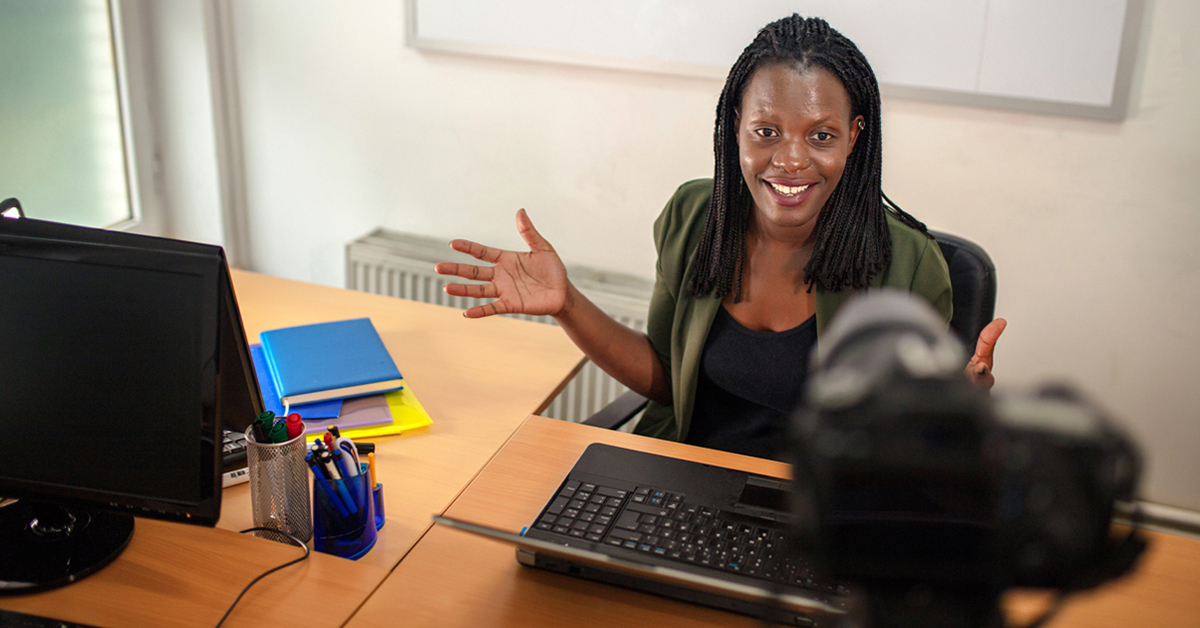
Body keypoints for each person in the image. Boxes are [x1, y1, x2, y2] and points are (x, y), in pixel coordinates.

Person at [436, 14, 1006, 460]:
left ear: (854, 137)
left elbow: (906, 454)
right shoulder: (694, 216)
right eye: (766, 130)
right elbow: (665, 378)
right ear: (736, 122)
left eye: (822, 135)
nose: (790, 160)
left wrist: (954, 416)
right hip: (687, 479)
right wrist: (567, 304)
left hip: (821, 515)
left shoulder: (908, 264)